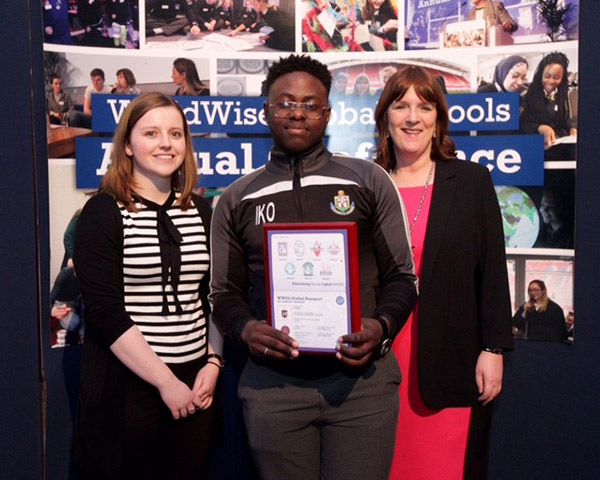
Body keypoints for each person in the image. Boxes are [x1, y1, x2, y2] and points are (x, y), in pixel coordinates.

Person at [210, 54, 417, 480]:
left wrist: (380, 326)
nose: (297, 113)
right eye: (285, 103)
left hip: (363, 386)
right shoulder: (234, 198)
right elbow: (222, 294)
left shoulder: (369, 180)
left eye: (310, 104)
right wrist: (247, 330)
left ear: (327, 113)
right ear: (266, 110)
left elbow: (403, 278)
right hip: (273, 388)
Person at [73, 92, 222, 479]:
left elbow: (215, 296)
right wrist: (165, 382)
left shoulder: (202, 212)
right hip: (126, 388)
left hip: (195, 384)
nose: (165, 143)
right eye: (151, 133)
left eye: (175, 133)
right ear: (127, 144)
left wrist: (213, 362)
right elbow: (105, 314)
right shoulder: (102, 212)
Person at [373, 66, 513, 479]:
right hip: (378, 368)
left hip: (453, 360)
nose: (412, 117)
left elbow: (491, 271)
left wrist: (494, 348)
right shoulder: (368, 184)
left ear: (438, 120)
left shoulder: (470, 181)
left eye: (424, 106)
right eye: (400, 106)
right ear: (385, 117)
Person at [521, 51, 577, 148]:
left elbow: (568, 120)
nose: (551, 81)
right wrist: (539, 128)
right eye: (547, 76)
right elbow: (521, 124)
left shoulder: (566, 96)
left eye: (556, 77)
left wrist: (572, 127)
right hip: (534, 147)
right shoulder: (527, 96)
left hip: (559, 146)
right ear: (540, 75)